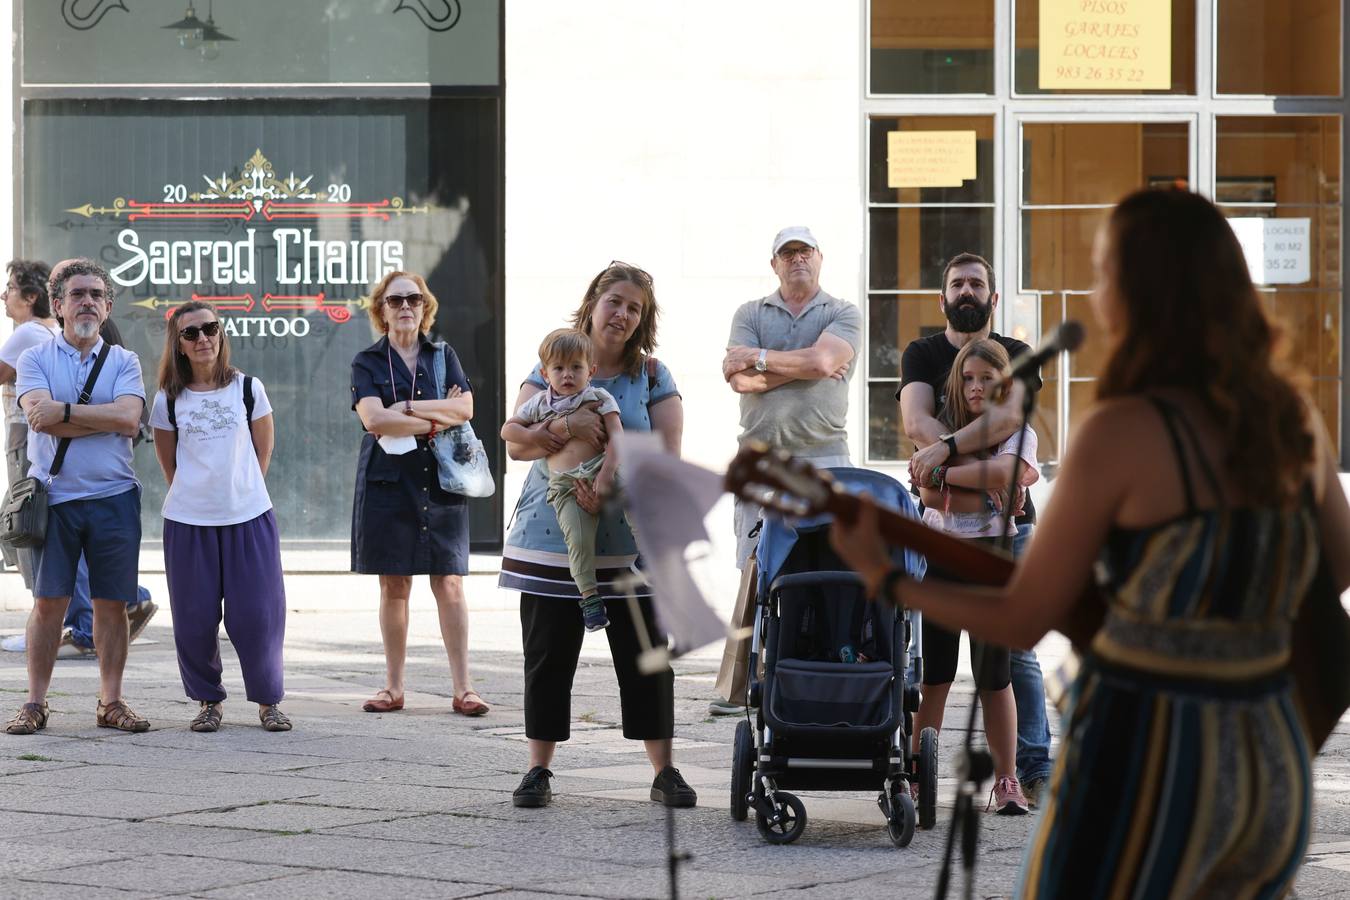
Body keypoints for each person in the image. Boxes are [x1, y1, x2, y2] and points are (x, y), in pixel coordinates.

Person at [833, 189, 1344, 897]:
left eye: (1108, 274)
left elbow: (1022, 615)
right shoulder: (1292, 418)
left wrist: (888, 577)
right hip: (1268, 774)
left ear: (1146, 292)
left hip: (1140, 769)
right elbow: (1335, 573)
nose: (1098, 295)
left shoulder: (1125, 430)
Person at [499, 261, 695, 810]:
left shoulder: (652, 376)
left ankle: (665, 771)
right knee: (546, 656)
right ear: (592, 304)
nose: (623, 314)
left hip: (629, 540)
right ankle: (538, 770)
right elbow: (516, 443)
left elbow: (667, 459)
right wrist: (567, 427)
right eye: (616, 302)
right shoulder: (550, 368)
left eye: (635, 308)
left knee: (647, 658)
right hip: (549, 535)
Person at [897, 251, 1055, 805]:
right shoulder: (922, 352)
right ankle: (917, 775)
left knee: (1011, 662)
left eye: (977, 283)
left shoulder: (1018, 353)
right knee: (933, 670)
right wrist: (971, 471)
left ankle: (1026, 771)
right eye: (957, 284)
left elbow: (1015, 430)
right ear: (943, 297)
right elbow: (916, 429)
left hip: (1004, 543)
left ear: (992, 296)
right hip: (943, 547)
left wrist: (942, 457)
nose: (967, 291)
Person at [712, 225, 861, 716]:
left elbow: (820, 362)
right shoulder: (750, 313)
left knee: (824, 568)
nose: (797, 259)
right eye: (787, 253)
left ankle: (816, 674)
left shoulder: (843, 313)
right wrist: (803, 365)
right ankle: (752, 683)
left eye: (805, 251)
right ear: (774, 263)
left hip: (825, 457)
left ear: (821, 258)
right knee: (757, 566)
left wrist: (762, 359)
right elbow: (743, 383)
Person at [4, 258, 148, 735]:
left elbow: (130, 420)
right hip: (56, 496)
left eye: (95, 295)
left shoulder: (124, 361)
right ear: (59, 305)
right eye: (76, 294)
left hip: (115, 498)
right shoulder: (35, 358)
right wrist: (100, 416)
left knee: (111, 604)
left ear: (107, 307)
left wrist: (66, 410)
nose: (86, 301)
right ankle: (35, 702)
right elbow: (38, 419)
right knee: (49, 603)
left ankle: (111, 702)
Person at [350, 270, 488, 717]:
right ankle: (393, 687)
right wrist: (437, 416)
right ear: (381, 310)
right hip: (388, 481)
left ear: (425, 306)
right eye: (395, 301)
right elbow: (373, 420)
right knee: (394, 585)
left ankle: (464, 688)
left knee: (449, 582)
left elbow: (465, 408)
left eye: (413, 298)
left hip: (439, 478)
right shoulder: (367, 362)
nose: (405, 306)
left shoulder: (443, 354)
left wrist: (406, 409)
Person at [151, 301, 289, 733]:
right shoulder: (168, 399)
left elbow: (262, 452)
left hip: (248, 517)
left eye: (209, 328)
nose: (203, 338)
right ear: (179, 344)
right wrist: (202, 496)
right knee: (193, 618)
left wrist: (238, 491)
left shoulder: (248, 388)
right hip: (189, 522)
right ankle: (208, 701)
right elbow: (169, 465)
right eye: (191, 333)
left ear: (221, 333)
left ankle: (268, 702)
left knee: (258, 615)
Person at [913, 338, 1036, 815]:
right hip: (941, 558)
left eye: (987, 378)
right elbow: (928, 496)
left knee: (995, 675)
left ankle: (1007, 780)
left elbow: (1005, 475)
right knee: (935, 676)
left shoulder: (1018, 432)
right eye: (967, 378)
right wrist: (980, 485)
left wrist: (947, 472)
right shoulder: (940, 430)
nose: (976, 386)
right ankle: (917, 773)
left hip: (991, 562)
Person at [501, 328, 624, 632]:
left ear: (591, 371)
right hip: (566, 486)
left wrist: (607, 476)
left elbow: (619, 439)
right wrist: (536, 433)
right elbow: (509, 432)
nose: (567, 374)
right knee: (578, 541)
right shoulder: (540, 403)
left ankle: (649, 554)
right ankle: (590, 599)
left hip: (601, 468)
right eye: (559, 368)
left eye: (576, 367)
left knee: (636, 491)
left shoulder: (598, 397)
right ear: (545, 373)